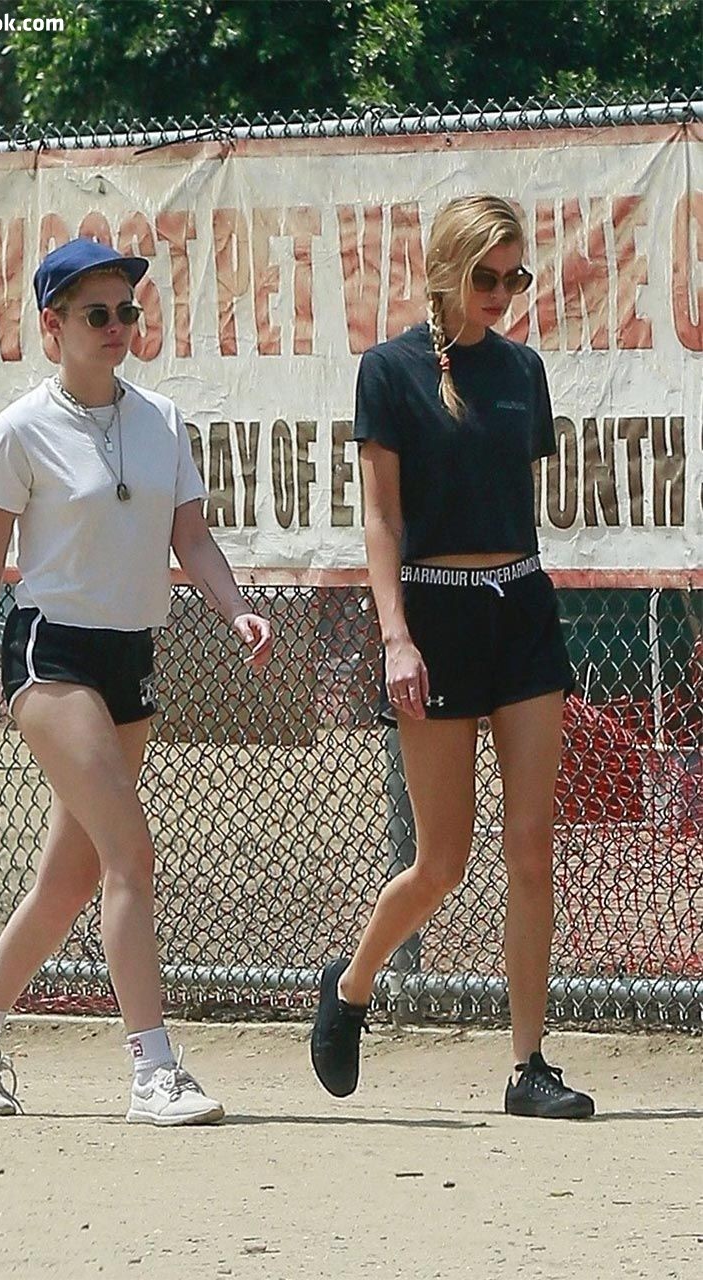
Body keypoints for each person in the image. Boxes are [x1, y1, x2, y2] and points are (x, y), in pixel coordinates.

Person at [0, 238, 272, 1125]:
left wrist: (236, 609)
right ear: (53, 327)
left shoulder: (160, 418)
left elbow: (190, 538)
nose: (117, 325)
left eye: (127, 311)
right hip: (51, 656)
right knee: (131, 854)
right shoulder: (21, 429)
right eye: (97, 314)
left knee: (71, 878)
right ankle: (153, 1070)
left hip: (129, 656)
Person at [311, 194, 594, 1119]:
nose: (501, 292)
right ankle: (350, 985)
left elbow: (507, 493)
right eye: (485, 275)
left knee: (530, 847)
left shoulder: (521, 370)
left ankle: (527, 1065)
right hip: (432, 620)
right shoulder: (388, 371)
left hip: (521, 611)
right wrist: (394, 635)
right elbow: (381, 517)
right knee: (441, 863)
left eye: (514, 276)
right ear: (444, 269)